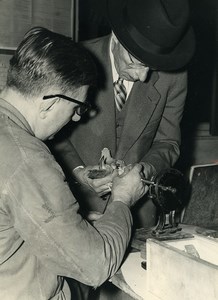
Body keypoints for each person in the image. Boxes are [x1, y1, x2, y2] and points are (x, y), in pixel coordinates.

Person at [0, 26, 148, 300]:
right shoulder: (27, 159)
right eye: (76, 108)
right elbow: (95, 265)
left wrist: (70, 226)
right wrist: (123, 199)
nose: (77, 118)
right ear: (49, 103)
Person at [50, 0, 196, 229]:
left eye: (152, 67)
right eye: (135, 63)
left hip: (137, 216)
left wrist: (143, 171)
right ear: (116, 39)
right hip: (76, 210)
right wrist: (79, 173)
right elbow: (52, 133)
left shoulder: (174, 77)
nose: (143, 76)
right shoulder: (75, 59)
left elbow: (168, 142)